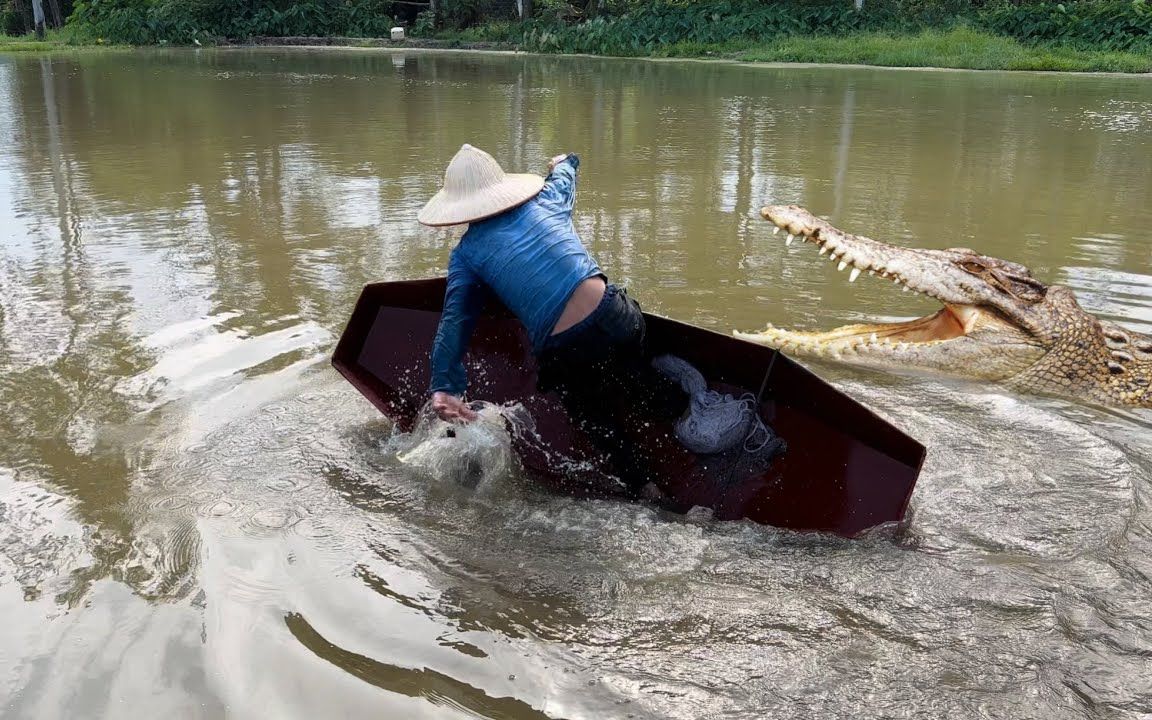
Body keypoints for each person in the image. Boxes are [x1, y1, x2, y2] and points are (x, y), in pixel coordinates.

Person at [418, 143, 660, 496]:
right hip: (614, 318)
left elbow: (455, 321)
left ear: (458, 206)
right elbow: (566, 173)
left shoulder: (467, 255)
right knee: (634, 340)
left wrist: (444, 386)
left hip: (564, 348)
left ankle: (646, 487)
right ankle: (666, 401)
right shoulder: (546, 201)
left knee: (592, 417)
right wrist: (564, 161)